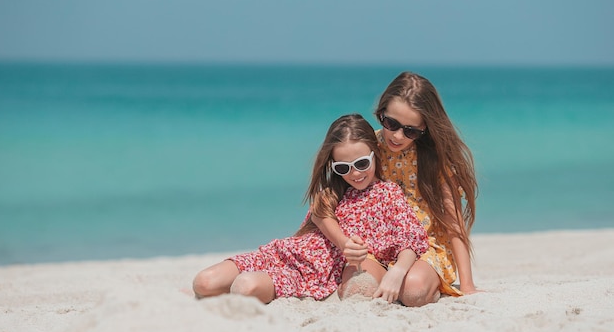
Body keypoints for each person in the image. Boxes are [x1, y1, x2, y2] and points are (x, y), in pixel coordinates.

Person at [192, 113, 429, 304]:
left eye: (361, 163)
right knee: (203, 282)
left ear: (374, 154)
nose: (355, 173)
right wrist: (344, 243)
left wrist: (397, 271)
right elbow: (321, 218)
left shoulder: (388, 194)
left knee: (245, 287)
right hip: (288, 253)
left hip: (314, 274)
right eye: (343, 168)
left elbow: (411, 238)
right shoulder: (330, 194)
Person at [353, 71, 479, 306]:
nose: (397, 136)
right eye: (390, 123)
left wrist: (467, 285)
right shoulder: (369, 147)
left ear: (425, 128)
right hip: (378, 243)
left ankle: (424, 286)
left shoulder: (434, 158)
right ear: (381, 113)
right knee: (358, 287)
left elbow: (454, 223)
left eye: (410, 130)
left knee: (413, 291)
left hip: (425, 246)